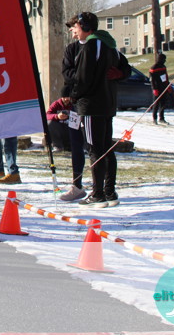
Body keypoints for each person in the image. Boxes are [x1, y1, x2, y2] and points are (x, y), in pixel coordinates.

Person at [68, 11, 120, 208]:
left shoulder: (91, 45)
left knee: (94, 149)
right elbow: (124, 68)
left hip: (91, 105)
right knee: (106, 148)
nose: (74, 30)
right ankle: (109, 191)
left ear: (85, 27)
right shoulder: (109, 44)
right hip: (108, 104)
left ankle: (98, 194)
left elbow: (83, 77)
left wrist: (74, 96)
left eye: (76, 27)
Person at [45, 87, 87, 201]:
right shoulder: (57, 104)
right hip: (61, 128)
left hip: (72, 129)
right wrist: (57, 116)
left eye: (68, 97)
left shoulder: (74, 104)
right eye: (64, 97)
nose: (66, 99)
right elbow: (47, 114)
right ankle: (57, 145)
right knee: (50, 124)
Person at [149, 52, 170, 125]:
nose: (165, 60)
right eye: (164, 59)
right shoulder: (153, 68)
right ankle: (154, 118)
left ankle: (161, 118)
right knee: (156, 104)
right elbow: (152, 80)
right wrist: (154, 89)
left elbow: (166, 77)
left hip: (163, 87)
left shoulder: (163, 67)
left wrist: (168, 85)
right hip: (157, 88)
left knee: (163, 103)